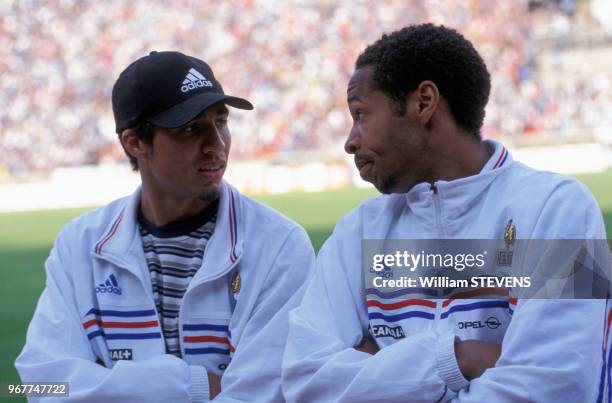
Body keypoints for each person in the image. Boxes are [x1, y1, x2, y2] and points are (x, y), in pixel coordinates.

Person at [282, 24, 609, 402]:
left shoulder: (558, 209)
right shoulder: (356, 232)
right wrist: (459, 358)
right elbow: (306, 382)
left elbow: (554, 388)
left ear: (423, 102)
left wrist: (378, 368)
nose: (350, 141)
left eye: (360, 114)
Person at [16, 51, 314, 402]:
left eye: (220, 121)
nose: (216, 146)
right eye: (191, 128)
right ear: (134, 143)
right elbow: (42, 384)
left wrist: (106, 385)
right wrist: (196, 385)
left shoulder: (280, 244)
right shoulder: (78, 246)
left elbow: (273, 391)